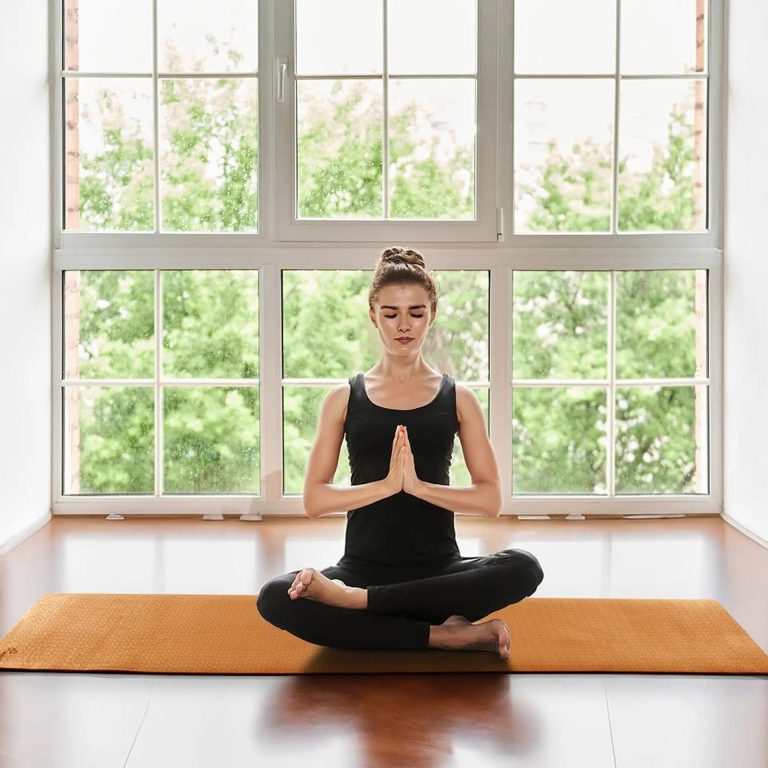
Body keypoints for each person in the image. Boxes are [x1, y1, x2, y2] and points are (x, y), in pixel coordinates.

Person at [256, 246, 544, 658]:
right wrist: (388, 486)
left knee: (524, 565)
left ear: (432, 314)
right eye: (391, 314)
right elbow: (315, 500)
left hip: (440, 572)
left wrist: (418, 487)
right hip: (362, 568)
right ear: (373, 315)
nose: (403, 326)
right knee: (275, 596)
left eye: (416, 313)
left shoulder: (459, 398)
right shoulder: (344, 397)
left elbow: (490, 499)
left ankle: (363, 606)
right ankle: (444, 634)